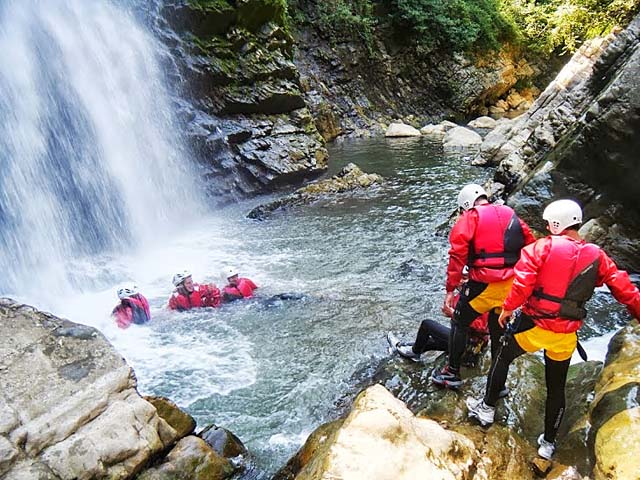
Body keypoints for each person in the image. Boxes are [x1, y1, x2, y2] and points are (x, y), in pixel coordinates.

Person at [466, 199, 640, 460]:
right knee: (556, 388)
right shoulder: (597, 255)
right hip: (566, 336)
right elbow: (625, 289)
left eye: (549, 223)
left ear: (557, 223)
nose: (547, 227)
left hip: (536, 327)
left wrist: (508, 308)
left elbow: (523, 282)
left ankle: (487, 408)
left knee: (502, 354)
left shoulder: (542, 247)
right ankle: (547, 444)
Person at [432, 183, 536, 389]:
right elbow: (531, 246)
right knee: (497, 331)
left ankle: (452, 372)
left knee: (459, 322)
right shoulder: (510, 213)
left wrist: (450, 288)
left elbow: (457, 255)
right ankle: (498, 385)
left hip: (485, 284)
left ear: (466, 205)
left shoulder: (470, 217)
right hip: (510, 286)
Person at [388, 267, 490, 368]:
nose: (460, 281)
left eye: (464, 278)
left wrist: (453, 314)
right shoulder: (460, 296)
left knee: (427, 324)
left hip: (470, 345)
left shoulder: (480, 298)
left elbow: (481, 327)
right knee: (430, 342)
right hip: (464, 341)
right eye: (459, 278)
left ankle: (413, 352)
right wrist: (449, 310)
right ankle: (401, 347)